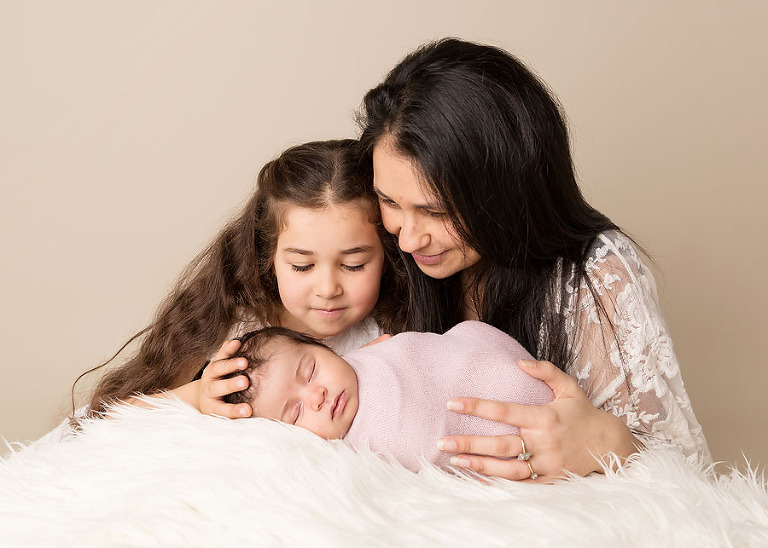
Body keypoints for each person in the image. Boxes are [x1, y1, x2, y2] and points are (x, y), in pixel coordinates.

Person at [347, 38, 710, 482]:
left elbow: (688, 477)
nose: (407, 238)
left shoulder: (594, 279)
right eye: (389, 201)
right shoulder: (376, 247)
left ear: (507, 191)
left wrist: (607, 442)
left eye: (437, 212)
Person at [67, 139, 406, 425]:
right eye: (302, 266)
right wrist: (198, 395)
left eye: (353, 265)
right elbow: (107, 421)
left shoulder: (394, 327)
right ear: (270, 258)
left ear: (387, 255)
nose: (328, 288)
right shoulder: (234, 329)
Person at [183, 322, 553, 473]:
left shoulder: (369, 352)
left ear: (325, 347)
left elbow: (429, 356)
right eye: (295, 413)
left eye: (310, 371)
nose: (317, 396)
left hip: (489, 369)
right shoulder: (346, 460)